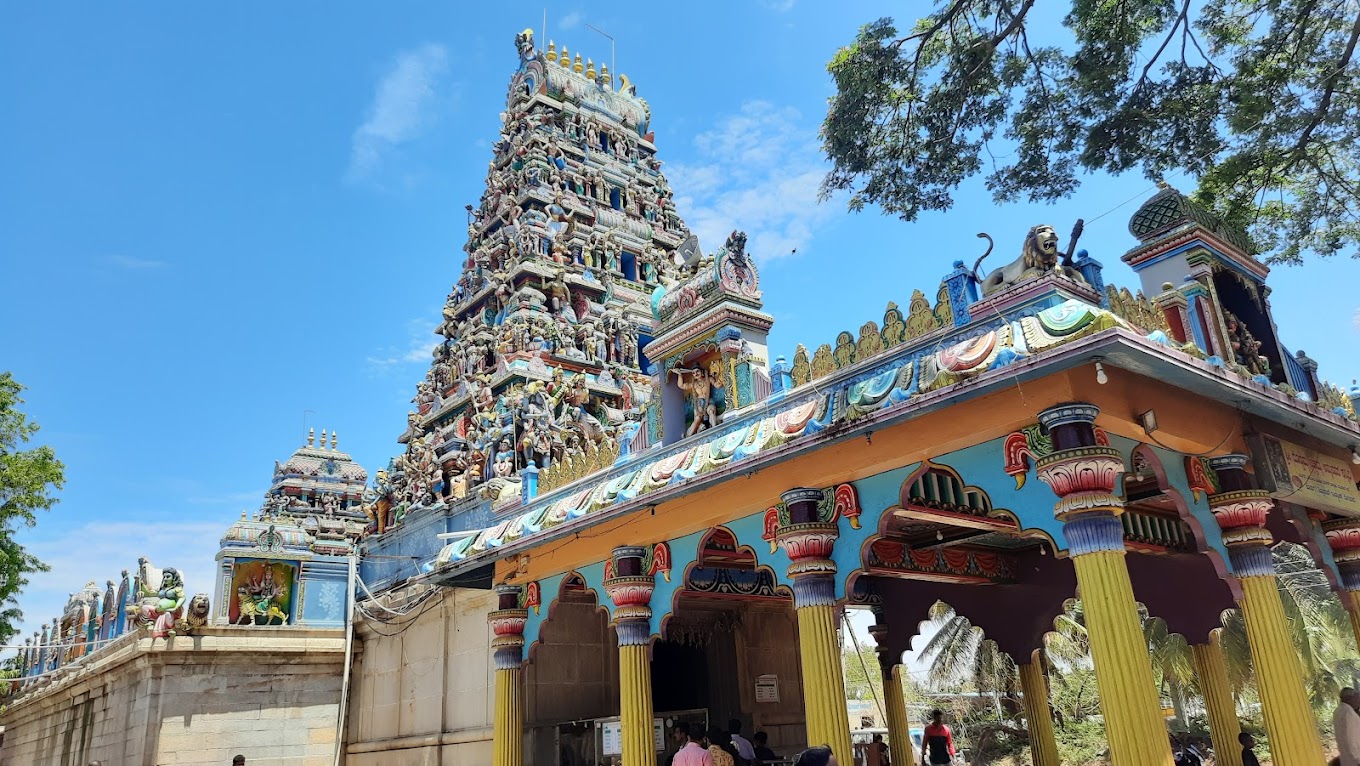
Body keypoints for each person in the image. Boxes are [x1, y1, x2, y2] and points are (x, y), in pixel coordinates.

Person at [1335, 688, 1360, 766]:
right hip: (1355, 759)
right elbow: (1351, 739)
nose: (1358, 701)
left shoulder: (1338, 711)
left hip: (1346, 757)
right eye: (1357, 698)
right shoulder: (1349, 713)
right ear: (1349, 698)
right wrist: (1358, 758)